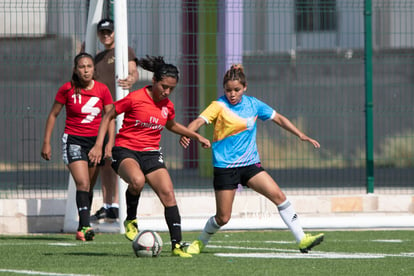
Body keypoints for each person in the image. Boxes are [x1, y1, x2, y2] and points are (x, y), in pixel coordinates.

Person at [180, 64, 324, 254]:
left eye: (237, 90)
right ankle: (200, 242)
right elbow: (199, 121)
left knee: (279, 197)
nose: (232, 94)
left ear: (245, 87)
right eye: (228, 90)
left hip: (250, 166)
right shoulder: (219, 106)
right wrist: (188, 133)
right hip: (225, 168)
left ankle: (302, 239)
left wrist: (300, 135)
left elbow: (278, 118)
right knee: (223, 218)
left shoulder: (254, 104)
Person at [88, 55, 211, 257]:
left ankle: (177, 245)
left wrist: (195, 135)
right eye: (164, 86)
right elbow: (109, 113)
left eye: (171, 88)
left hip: (151, 153)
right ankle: (131, 219)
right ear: (154, 81)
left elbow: (170, 124)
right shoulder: (136, 98)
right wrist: (100, 145)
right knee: (137, 181)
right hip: (125, 149)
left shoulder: (167, 106)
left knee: (168, 194)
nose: (167, 92)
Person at [41, 52, 115, 241]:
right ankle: (85, 227)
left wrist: (107, 145)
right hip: (74, 141)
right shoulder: (67, 89)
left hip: (96, 143)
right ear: (75, 69)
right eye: (82, 67)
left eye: (89, 66)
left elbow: (110, 118)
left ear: (93, 69)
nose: (86, 70)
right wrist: (46, 142)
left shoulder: (103, 90)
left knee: (88, 186)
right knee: (81, 183)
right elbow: (53, 115)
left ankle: (83, 225)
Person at [90, 18, 140, 222]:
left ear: (115, 33)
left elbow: (133, 71)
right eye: (102, 33)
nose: (106, 36)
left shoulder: (123, 50)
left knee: (116, 157)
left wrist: (131, 78)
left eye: (109, 32)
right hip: (102, 114)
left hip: (119, 112)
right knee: (103, 161)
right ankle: (108, 204)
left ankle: (119, 204)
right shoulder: (97, 57)